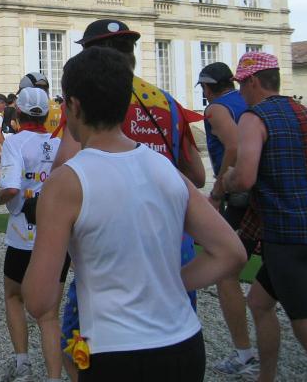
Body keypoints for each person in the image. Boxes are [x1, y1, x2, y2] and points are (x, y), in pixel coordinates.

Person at [23, 46, 246, 382]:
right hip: (184, 343)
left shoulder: (66, 182)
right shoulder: (166, 168)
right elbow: (231, 252)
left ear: (74, 106)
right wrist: (169, 284)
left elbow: (39, 300)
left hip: (114, 350)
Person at [52, 19, 206, 380]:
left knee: (77, 349)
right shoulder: (166, 102)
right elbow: (196, 176)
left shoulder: (92, 102)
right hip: (172, 246)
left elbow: (63, 166)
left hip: (112, 246)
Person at [222, 52, 307, 382]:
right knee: (259, 301)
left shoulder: (254, 117)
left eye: (242, 84)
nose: (241, 91)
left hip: (286, 236)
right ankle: (266, 377)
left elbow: (245, 178)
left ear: (254, 81)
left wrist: (227, 180)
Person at [0, 86, 68, 382]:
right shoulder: (60, 143)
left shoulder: (15, 142)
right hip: (57, 235)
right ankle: (54, 377)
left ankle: (22, 364)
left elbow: (10, 188)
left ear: (17, 112)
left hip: (25, 233)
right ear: (46, 114)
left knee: (13, 297)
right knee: (49, 314)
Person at [196, 62, 258, 376]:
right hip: (260, 192)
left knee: (226, 272)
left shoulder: (217, 109)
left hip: (239, 195)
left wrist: (218, 190)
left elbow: (233, 146)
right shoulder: (243, 101)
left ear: (208, 87)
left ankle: (244, 353)